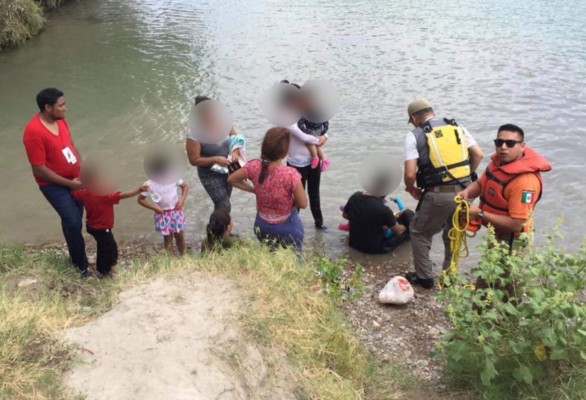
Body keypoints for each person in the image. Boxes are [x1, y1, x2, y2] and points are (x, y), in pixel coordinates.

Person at [403, 98, 483, 289]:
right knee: (453, 231)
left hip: (439, 194)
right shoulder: (457, 127)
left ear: (414, 118)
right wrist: (466, 180)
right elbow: (478, 154)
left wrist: (411, 188)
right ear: (432, 111)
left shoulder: (414, 135)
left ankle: (424, 277)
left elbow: (410, 173)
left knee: (419, 231)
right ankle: (449, 275)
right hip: (467, 191)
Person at [22, 88, 89, 276]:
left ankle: (76, 257)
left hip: (75, 179)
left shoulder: (60, 121)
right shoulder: (33, 132)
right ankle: (81, 267)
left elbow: (72, 145)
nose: (65, 109)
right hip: (54, 185)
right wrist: (70, 184)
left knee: (74, 220)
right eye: (61, 105)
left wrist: (82, 170)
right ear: (48, 107)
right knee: (73, 222)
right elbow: (39, 169)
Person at [458, 123, 552, 251]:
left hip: (514, 240)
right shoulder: (498, 163)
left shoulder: (525, 182)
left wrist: (479, 214)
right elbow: (481, 183)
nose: (503, 147)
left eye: (510, 143)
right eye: (499, 142)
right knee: (491, 267)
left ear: (522, 146)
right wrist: (467, 192)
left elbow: (516, 224)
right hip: (495, 231)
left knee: (508, 271)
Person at [228, 127, 307, 251]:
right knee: (295, 257)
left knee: (270, 254)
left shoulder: (253, 166)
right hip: (287, 227)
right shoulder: (291, 174)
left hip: (262, 225)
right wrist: (291, 198)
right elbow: (303, 204)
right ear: (285, 152)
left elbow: (231, 179)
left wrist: (254, 190)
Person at [73, 163, 148, 277]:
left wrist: (74, 182)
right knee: (110, 248)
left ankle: (104, 265)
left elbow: (73, 193)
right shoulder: (104, 195)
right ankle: (105, 271)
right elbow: (123, 195)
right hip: (102, 228)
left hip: (91, 226)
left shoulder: (84, 193)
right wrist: (139, 189)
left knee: (103, 245)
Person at [281, 81, 328, 230]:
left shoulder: (308, 111)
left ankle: (319, 224)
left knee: (315, 193)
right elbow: (303, 136)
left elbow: (322, 126)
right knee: (296, 197)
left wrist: (324, 137)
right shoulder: (286, 116)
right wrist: (317, 141)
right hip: (296, 162)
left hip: (312, 161)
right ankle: (293, 225)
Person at [185, 95, 241, 212]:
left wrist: (235, 153)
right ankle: (219, 229)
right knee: (224, 205)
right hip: (209, 173)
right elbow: (193, 160)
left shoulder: (223, 123)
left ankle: (220, 229)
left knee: (223, 204)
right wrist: (215, 159)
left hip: (228, 169)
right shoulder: (193, 133)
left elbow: (235, 138)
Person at [137, 155, 189, 256]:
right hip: (162, 214)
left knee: (180, 236)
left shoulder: (173, 177)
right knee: (168, 238)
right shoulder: (149, 184)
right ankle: (169, 260)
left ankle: (183, 255)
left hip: (176, 211)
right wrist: (154, 207)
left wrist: (182, 200)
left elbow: (185, 186)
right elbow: (140, 200)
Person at [342, 192, 414, 254]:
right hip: (374, 250)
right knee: (404, 231)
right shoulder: (384, 210)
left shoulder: (355, 196)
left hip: (353, 244)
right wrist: (405, 226)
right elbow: (398, 231)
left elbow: (345, 215)